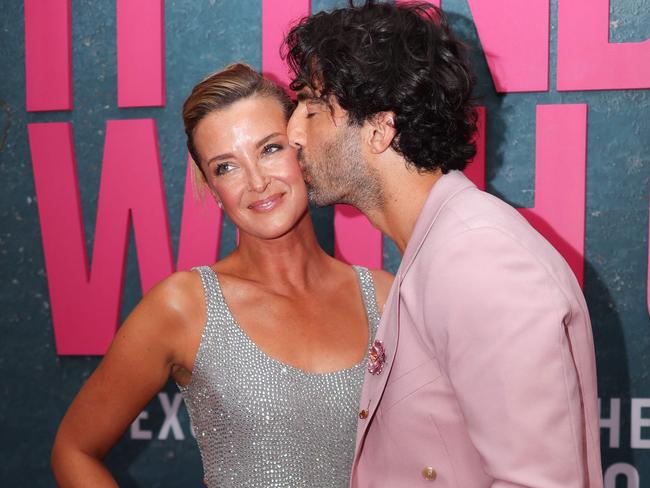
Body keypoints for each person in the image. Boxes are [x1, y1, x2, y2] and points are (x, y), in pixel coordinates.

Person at [284, 2, 603, 487]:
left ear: (379, 129)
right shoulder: (441, 247)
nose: (293, 134)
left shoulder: (479, 259)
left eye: (311, 108)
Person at [51, 63, 392, 488]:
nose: (256, 182)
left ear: (301, 148)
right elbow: (74, 449)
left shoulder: (384, 297)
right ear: (212, 190)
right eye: (226, 167)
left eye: (270, 149)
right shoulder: (185, 306)